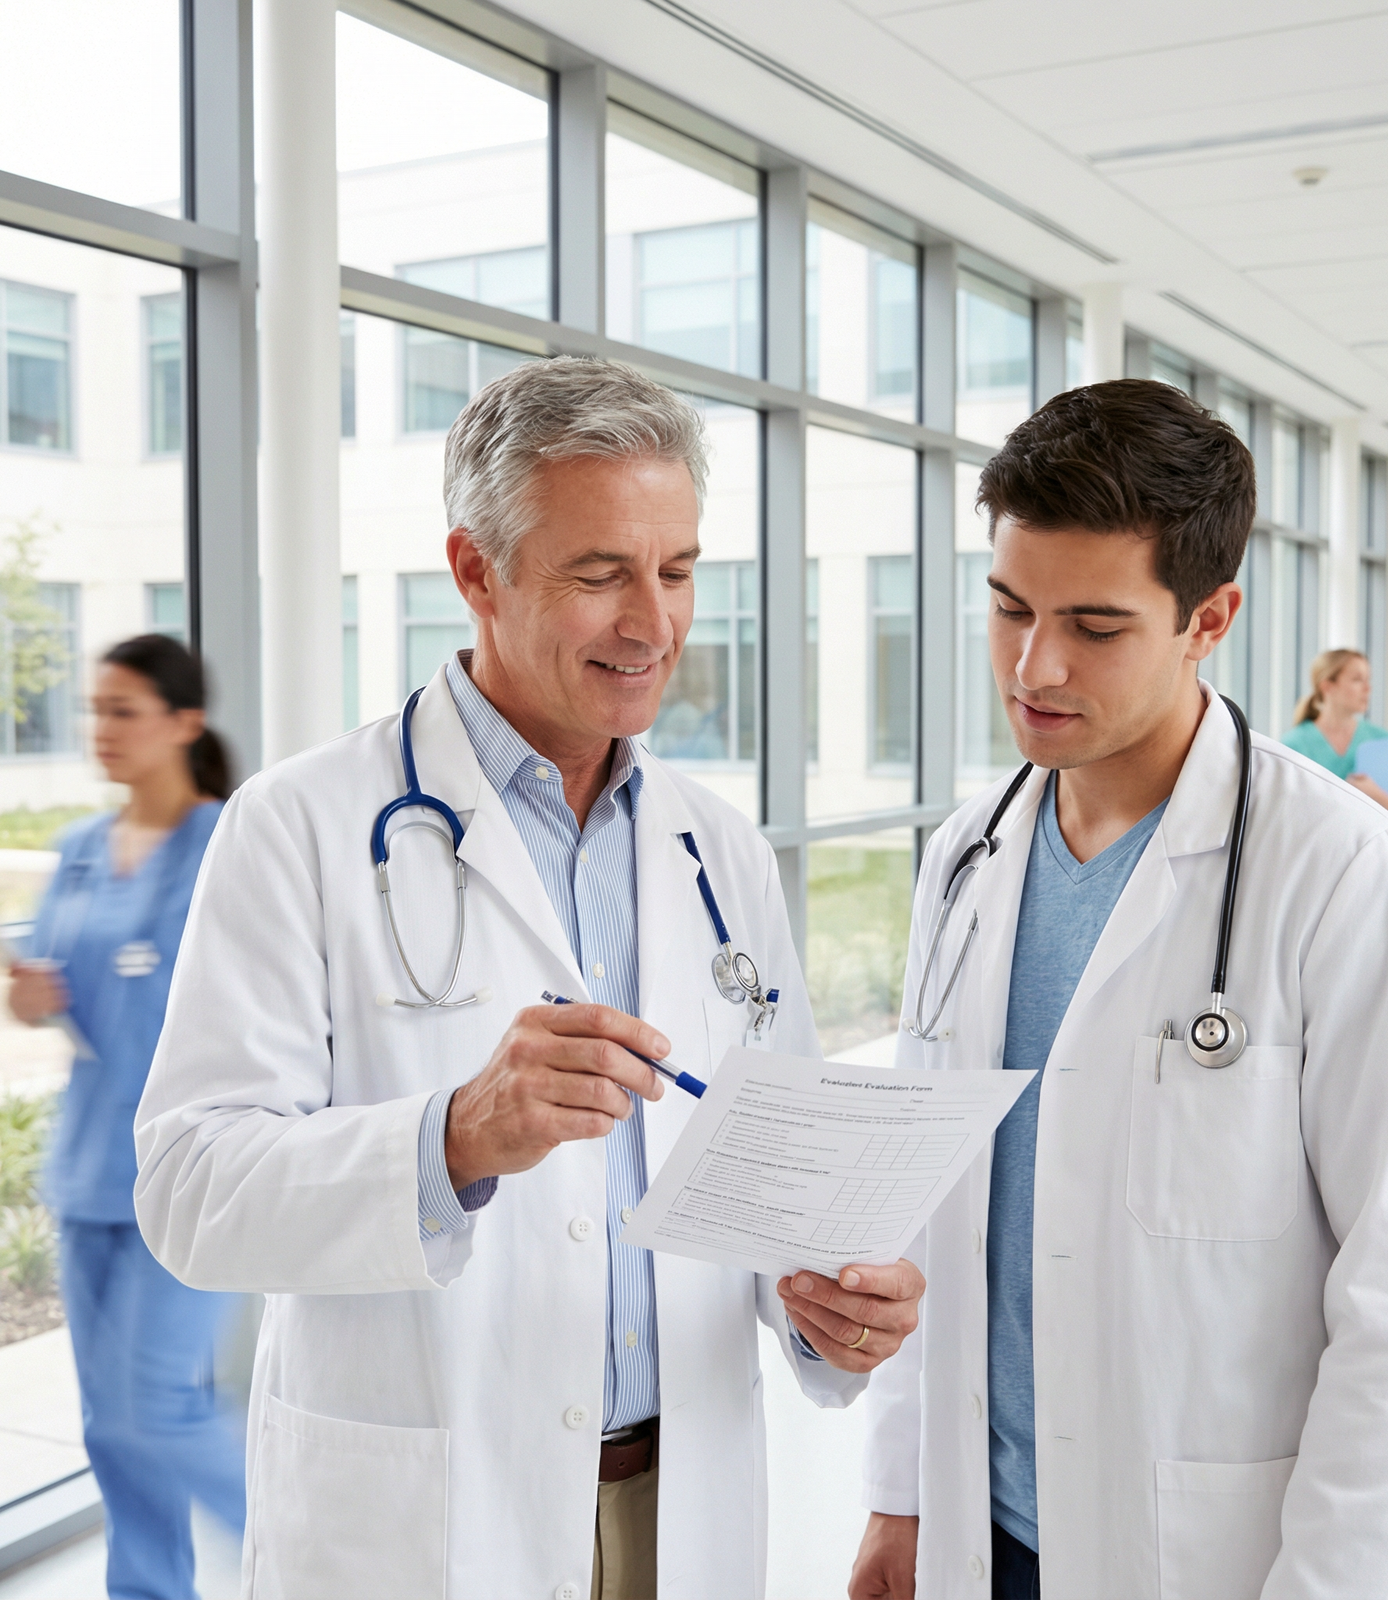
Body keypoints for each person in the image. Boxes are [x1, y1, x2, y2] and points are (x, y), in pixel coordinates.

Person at [133, 358, 924, 1600]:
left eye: (675, 570)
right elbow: (187, 1189)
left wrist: (827, 1298)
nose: (653, 623)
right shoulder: (301, 824)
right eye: (600, 573)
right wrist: (451, 1137)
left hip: (683, 1503)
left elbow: (776, 1173)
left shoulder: (717, 849)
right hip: (434, 1520)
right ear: (475, 572)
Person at [833, 381, 1388, 1600]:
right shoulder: (965, 855)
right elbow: (929, 1201)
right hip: (990, 1530)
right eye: (1008, 608)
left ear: (1209, 618)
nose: (1034, 664)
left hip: (1204, 1551)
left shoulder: (1342, 871)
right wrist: (900, 1491)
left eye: (1094, 624)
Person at [10, 634, 243, 1600]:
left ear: (184, 724)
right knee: (110, 1424)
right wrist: (33, 998)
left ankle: (328, 1556)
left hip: (188, 1175)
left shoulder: (230, 843)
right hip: (87, 1173)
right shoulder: (74, 849)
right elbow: (64, 989)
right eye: (94, 710)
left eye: (123, 711)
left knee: (156, 1407)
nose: (100, 729)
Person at [1278, 648, 1388, 822]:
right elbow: (1283, 813)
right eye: (1357, 679)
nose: (1368, 688)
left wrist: (1374, 794)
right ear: (1327, 686)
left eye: (1368, 679)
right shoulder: (1294, 744)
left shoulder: (1382, 740)